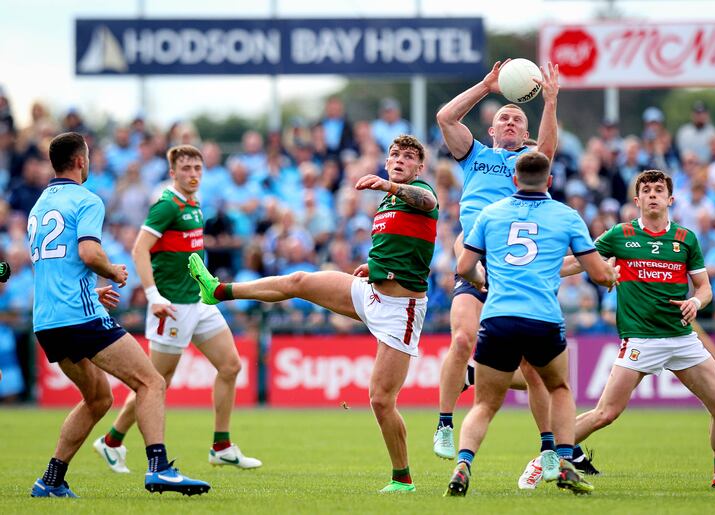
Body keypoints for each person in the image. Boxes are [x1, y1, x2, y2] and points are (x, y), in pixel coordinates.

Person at [188, 135, 437, 493]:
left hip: (402, 310)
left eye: (409, 157)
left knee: (381, 400)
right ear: (386, 160)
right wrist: (374, 267)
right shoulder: (386, 202)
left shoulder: (417, 193)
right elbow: (403, 248)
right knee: (299, 280)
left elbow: (427, 201)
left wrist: (391, 186)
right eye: (395, 155)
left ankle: (403, 480)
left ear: (419, 167)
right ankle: (219, 291)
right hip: (371, 293)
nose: (400, 159)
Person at [28, 132, 209, 497]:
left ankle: (50, 479)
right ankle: (159, 467)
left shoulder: (40, 204)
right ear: (81, 161)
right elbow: (88, 253)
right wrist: (112, 271)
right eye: (89, 156)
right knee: (151, 382)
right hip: (80, 317)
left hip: (48, 320)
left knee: (98, 398)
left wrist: (90, 289)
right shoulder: (86, 199)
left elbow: (54, 266)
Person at [558, 169, 715, 490]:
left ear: (670, 199)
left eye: (659, 190)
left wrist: (697, 301)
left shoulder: (685, 239)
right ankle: (546, 456)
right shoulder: (619, 234)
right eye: (647, 190)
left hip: (681, 339)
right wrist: (543, 268)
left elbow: (705, 288)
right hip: (641, 339)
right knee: (605, 414)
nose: (653, 194)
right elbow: (580, 262)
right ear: (637, 200)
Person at [434, 58, 581, 481]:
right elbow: (445, 116)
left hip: (517, 270)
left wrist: (550, 101)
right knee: (461, 337)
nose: (511, 120)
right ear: (492, 131)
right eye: (504, 118)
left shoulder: (530, 166)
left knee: (535, 371)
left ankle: (549, 450)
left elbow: (548, 151)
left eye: (518, 117)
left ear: (526, 132)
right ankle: (444, 425)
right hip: (478, 257)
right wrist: (486, 86)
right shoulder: (475, 155)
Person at [444, 152, 618, 497]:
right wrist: (610, 275)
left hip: (497, 318)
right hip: (543, 319)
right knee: (559, 389)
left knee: (484, 405)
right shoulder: (566, 216)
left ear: (513, 181)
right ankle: (565, 463)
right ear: (550, 182)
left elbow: (463, 266)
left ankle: (463, 465)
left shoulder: (490, 214)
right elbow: (598, 274)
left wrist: (482, 281)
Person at [94, 145, 261, 473]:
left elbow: (188, 254)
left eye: (198, 168)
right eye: (186, 168)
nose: (193, 174)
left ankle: (222, 445)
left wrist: (205, 278)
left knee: (230, 366)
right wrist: (153, 295)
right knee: (155, 382)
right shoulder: (167, 206)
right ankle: (112, 440)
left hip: (197, 301)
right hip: (170, 306)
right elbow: (140, 249)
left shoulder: (196, 204)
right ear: (173, 172)